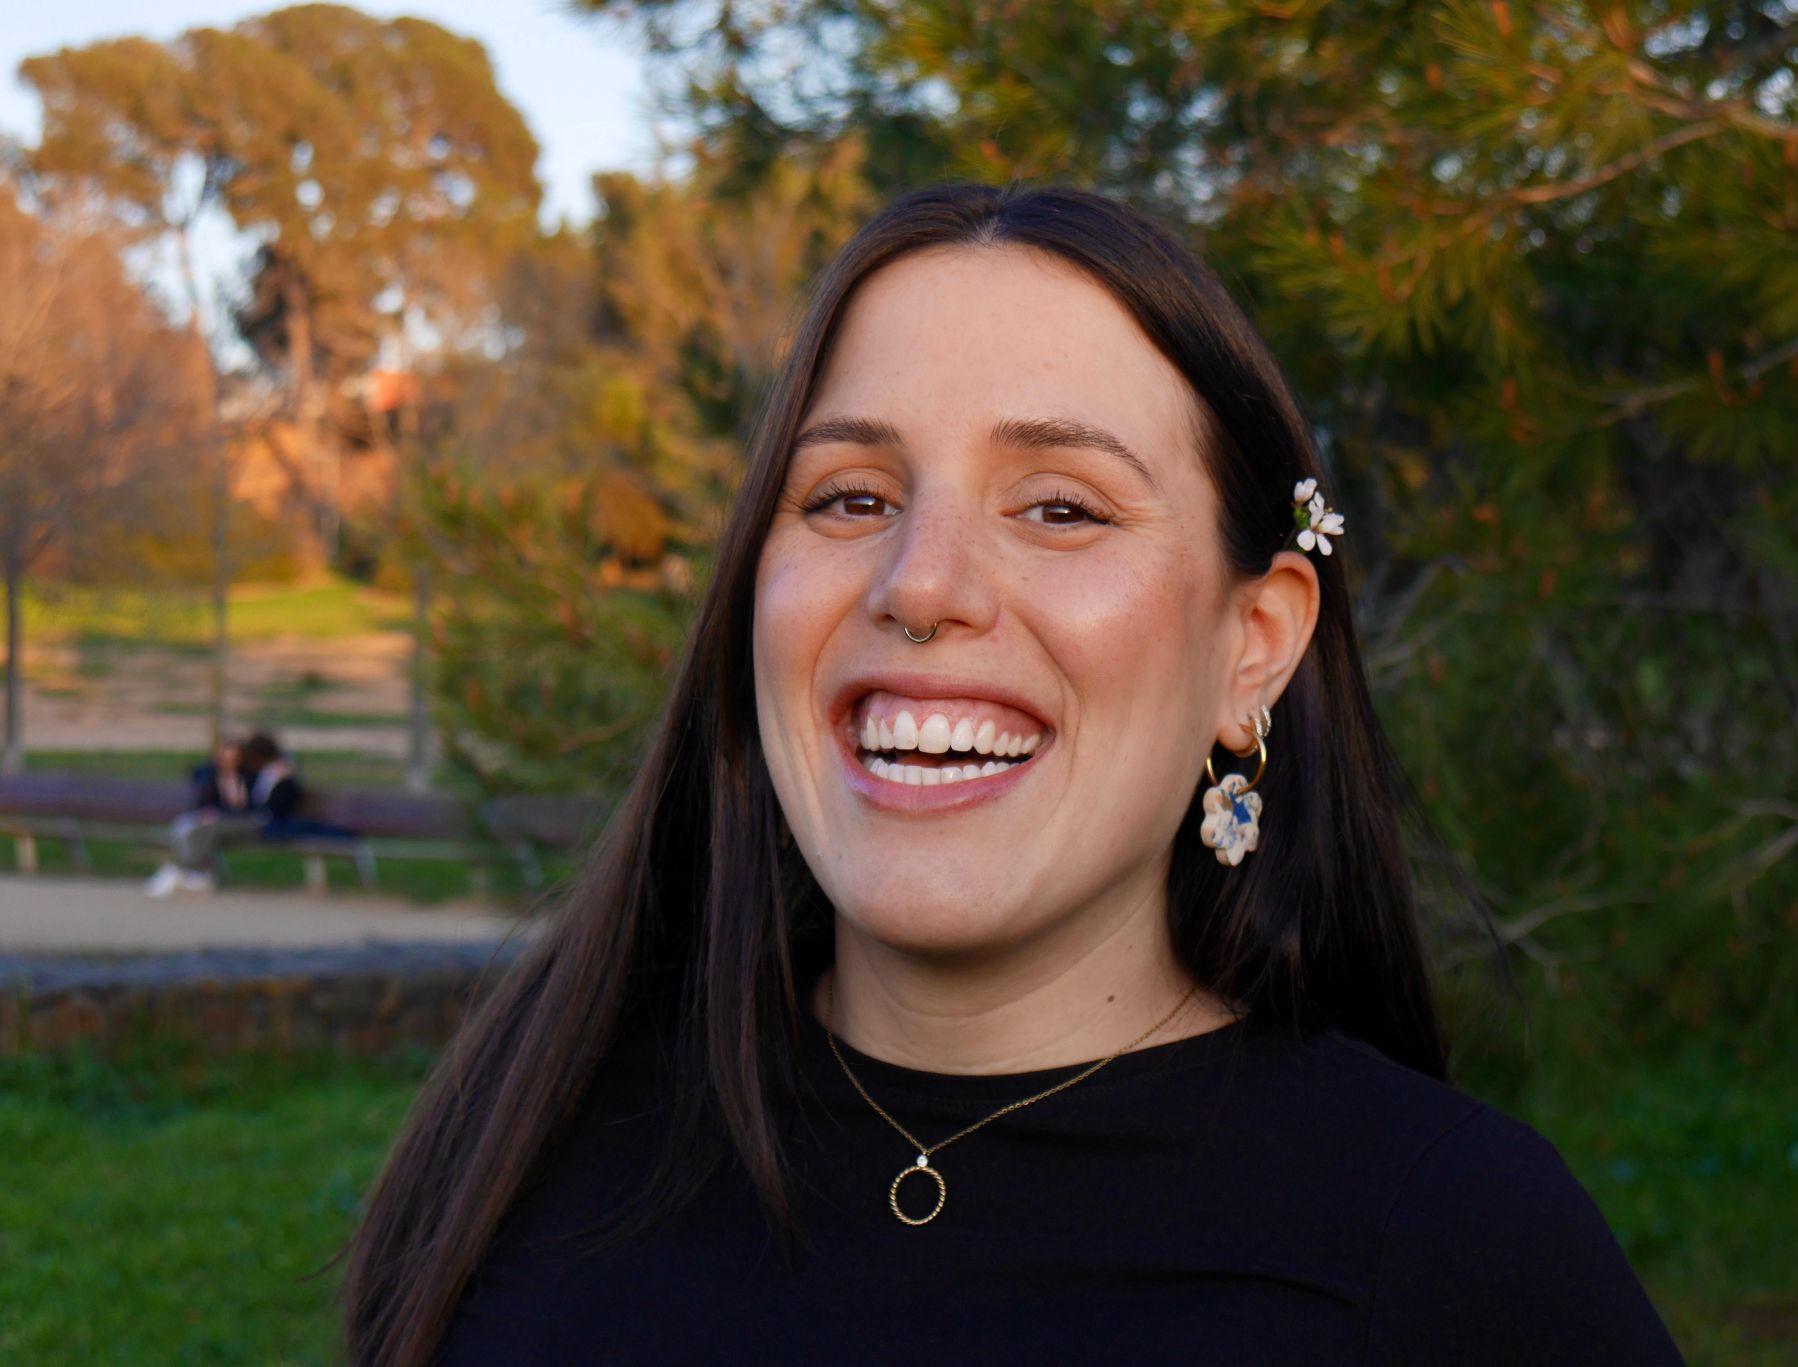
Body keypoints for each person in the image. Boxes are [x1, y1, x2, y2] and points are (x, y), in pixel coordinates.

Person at [340, 184, 1687, 1364]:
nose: (919, 582)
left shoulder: (1453, 1253)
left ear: (1254, 644)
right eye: (851, 496)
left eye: (1059, 506)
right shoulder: (529, 1154)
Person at [145, 730, 304, 897]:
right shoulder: (219, 775)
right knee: (189, 826)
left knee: (201, 830)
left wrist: (277, 778)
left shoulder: (267, 778)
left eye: (235, 758)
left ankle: (179, 871)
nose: (230, 762)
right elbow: (206, 794)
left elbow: (264, 807)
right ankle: (191, 874)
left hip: (254, 823)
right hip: (233, 821)